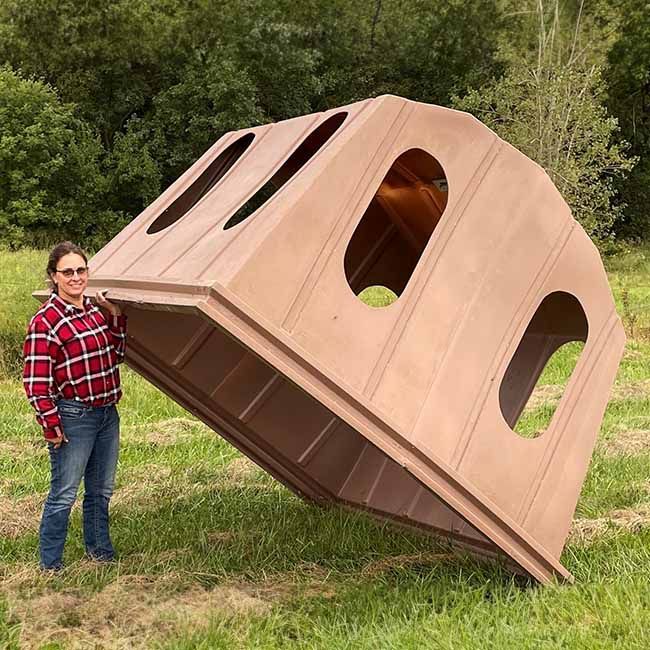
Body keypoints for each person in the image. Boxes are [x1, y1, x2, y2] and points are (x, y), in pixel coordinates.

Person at [23, 241, 127, 571]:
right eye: (67, 272)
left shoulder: (95, 312)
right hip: (74, 417)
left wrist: (116, 320)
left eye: (81, 270)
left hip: (107, 414)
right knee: (64, 494)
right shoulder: (46, 321)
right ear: (54, 277)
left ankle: (100, 554)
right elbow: (36, 383)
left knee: (100, 491)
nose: (75, 277)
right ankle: (50, 565)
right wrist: (51, 426)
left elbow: (115, 357)